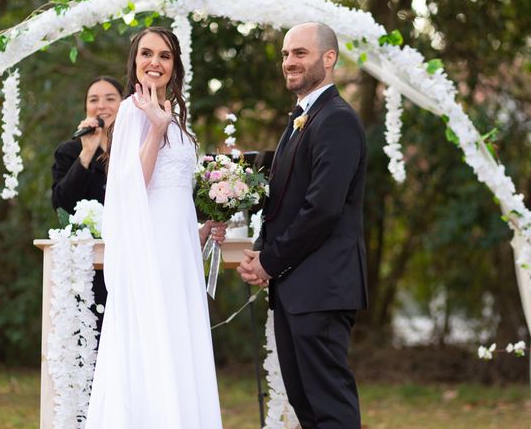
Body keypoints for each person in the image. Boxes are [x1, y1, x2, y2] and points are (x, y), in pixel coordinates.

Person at [85, 27, 224, 428]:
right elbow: (132, 185)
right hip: (149, 251)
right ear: (134, 62)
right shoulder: (132, 111)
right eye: (147, 54)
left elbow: (173, 193)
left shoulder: (175, 115)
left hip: (177, 250)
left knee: (179, 344)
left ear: (174, 65)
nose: (155, 63)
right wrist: (157, 127)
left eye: (164, 56)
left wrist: (198, 231)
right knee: (152, 343)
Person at [237, 22, 368, 429]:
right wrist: (261, 248)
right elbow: (283, 201)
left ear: (328, 59)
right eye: (285, 54)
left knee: (329, 407)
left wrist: (271, 262)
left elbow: (322, 209)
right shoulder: (302, 119)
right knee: (306, 407)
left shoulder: (337, 120)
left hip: (323, 289)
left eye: (300, 53)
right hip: (298, 289)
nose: (289, 62)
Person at [51, 76, 124, 335]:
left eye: (110, 99)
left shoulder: (137, 148)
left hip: (128, 255)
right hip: (87, 261)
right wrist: (87, 152)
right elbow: (61, 203)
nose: (101, 105)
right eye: (94, 100)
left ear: (124, 104)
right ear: (86, 109)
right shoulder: (69, 151)